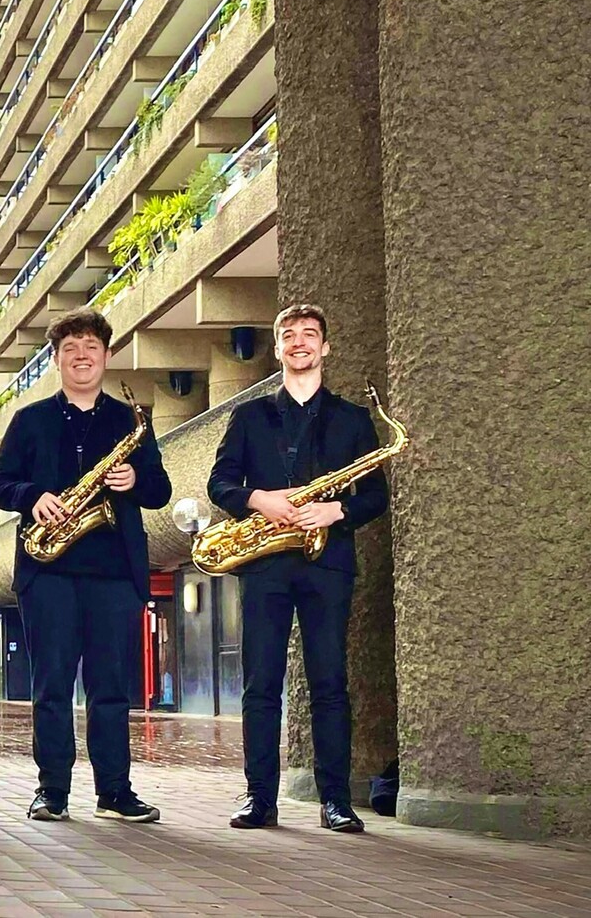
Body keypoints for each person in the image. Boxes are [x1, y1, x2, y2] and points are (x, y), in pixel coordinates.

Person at [208, 304, 388, 833]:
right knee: (260, 683)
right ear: (278, 347)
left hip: (327, 562)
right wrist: (260, 499)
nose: (300, 343)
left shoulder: (354, 419)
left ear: (325, 348)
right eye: (289, 335)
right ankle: (259, 798)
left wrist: (337, 509)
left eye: (310, 335)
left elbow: (375, 495)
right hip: (265, 562)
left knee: (330, 681)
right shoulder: (248, 417)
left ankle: (336, 800)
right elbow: (221, 484)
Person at [0, 308, 170, 825]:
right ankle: (52, 791)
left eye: (91, 346)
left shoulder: (130, 422)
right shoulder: (31, 420)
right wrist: (33, 497)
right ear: (57, 359)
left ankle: (114, 791)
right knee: (51, 687)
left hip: (114, 573)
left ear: (106, 355)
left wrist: (135, 479)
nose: (82, 356)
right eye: (70, 349)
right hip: (49, 572)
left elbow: (161, 490)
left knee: (112, 689)